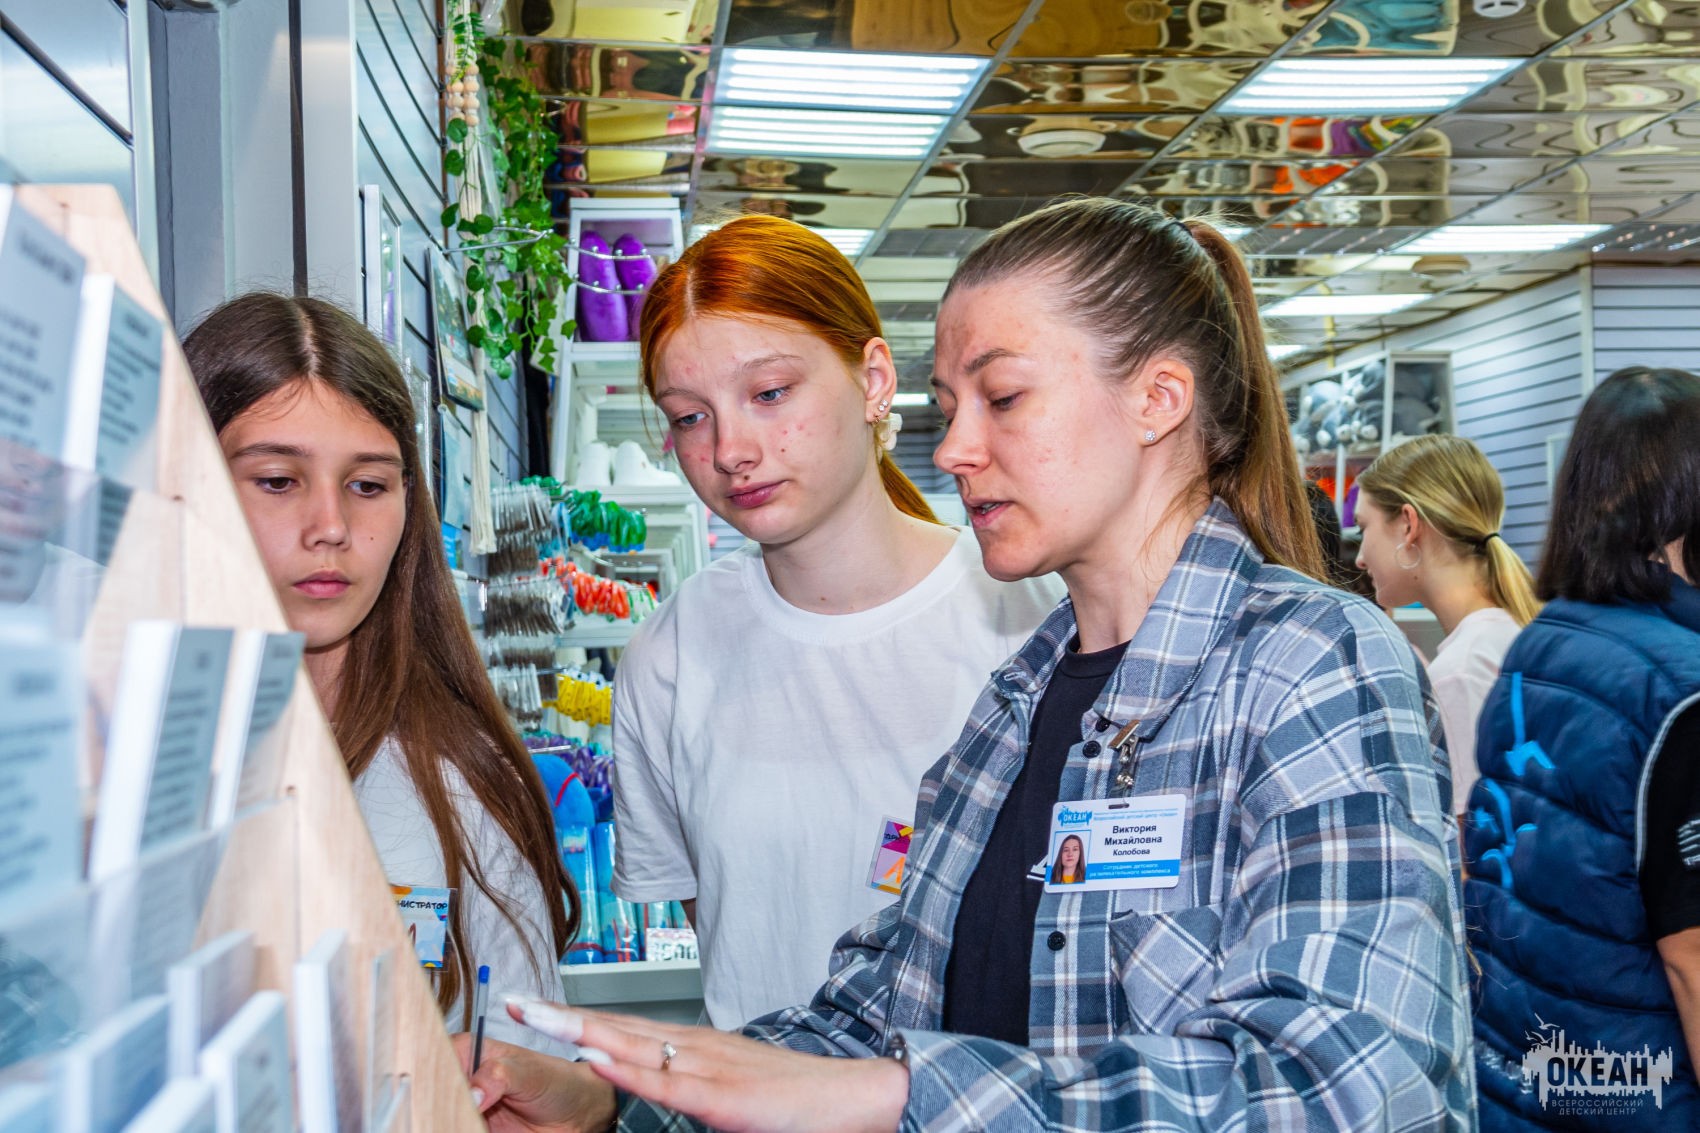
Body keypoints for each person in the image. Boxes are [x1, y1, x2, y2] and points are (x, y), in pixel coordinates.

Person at [464, 198, 1472, 1132]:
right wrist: (611, 1100)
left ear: (1158, 399)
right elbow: (872, 1015)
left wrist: (905, 1092)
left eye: (1003, 397)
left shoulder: (1308, 662)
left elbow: (1356, 1086)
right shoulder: (1018, 699)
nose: (951, 449)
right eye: (950, 404)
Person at [609, 215, 1061, 1028]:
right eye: (689, 416)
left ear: (873, 379)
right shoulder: (670, 654)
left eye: (769, 393)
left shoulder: (1028, 617)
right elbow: (725, 933)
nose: (730, 449)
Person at [183, 294, 575, 1053]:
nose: (331, 527)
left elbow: (530, 1064)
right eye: (278, 480)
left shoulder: (460, 783)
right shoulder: (95, 749)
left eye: (367, 485)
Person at [1468, 367, 1700, 1130]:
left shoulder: (1542, 641)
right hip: (1643, 1097)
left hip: (1523, 1078)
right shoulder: (1682, 689)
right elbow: (1693, 958)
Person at [1354, 434, 1540, 817]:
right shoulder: (1507, 633)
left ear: (1408, 525)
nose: (1359, 557)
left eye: (1363, 528)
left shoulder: (1460, 671)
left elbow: (1468, 841)